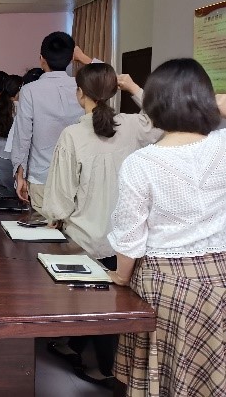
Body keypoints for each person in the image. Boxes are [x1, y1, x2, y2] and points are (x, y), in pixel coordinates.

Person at [107, 59, 226, 397]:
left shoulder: (141, 162)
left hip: (165, 283)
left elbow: (131, 237)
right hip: (220, 276)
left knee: (165, 377)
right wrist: (217, 104)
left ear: (154, 104)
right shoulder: (222, 145)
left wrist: (121, 277)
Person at [41, 63, 162, 388]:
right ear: (112, 91)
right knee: (109, 305)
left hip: (85, 240)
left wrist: (54, 216)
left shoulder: (72, 135)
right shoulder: (134, 125)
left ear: (80, 93)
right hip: (126, 241)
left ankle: (104, 369)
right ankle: (77, 347)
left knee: (89, 305)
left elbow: (61, 198)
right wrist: (134, 88)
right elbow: (164, 120)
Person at [11, 33, 93, 213]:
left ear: (42, 59)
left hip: (41, 177)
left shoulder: (29, 90)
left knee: (45, 229)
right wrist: (83, 58)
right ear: (71, 58)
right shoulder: (83, 87)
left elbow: (23, 136)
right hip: (78, 177)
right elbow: (110, 78)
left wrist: (19, 174)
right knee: (74, 229)